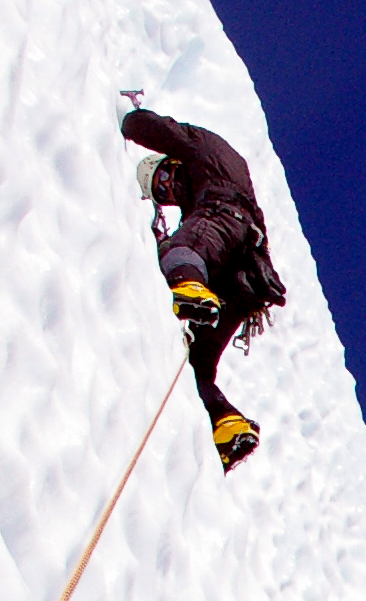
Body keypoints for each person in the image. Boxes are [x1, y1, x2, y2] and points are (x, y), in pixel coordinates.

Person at [119, 100, 287, 471]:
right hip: (246, 279)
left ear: (173, 163)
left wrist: (128, 119)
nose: (169, 190)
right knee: (196, 365)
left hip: (225, 218)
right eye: (161, 194)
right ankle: (226, 424)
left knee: (183, 251)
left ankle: (191, 289)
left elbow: (161, 130)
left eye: (164, 179)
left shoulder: (204, 153)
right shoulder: (203, 198)